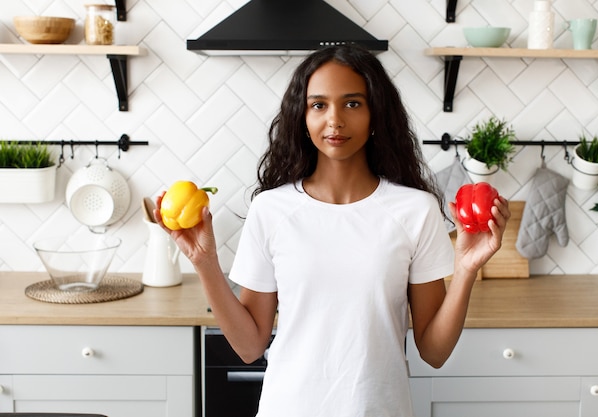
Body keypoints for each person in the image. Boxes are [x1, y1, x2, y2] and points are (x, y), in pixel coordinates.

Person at [155, 44, 510, 417]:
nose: (335, 120)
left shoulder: (414, 210)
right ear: (302, 117)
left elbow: (434, 352)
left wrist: (467, 269)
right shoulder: (272, 209)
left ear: (376, 114)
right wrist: (205, 262)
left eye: (353, 103)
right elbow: (249, 346)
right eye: (319, 105)